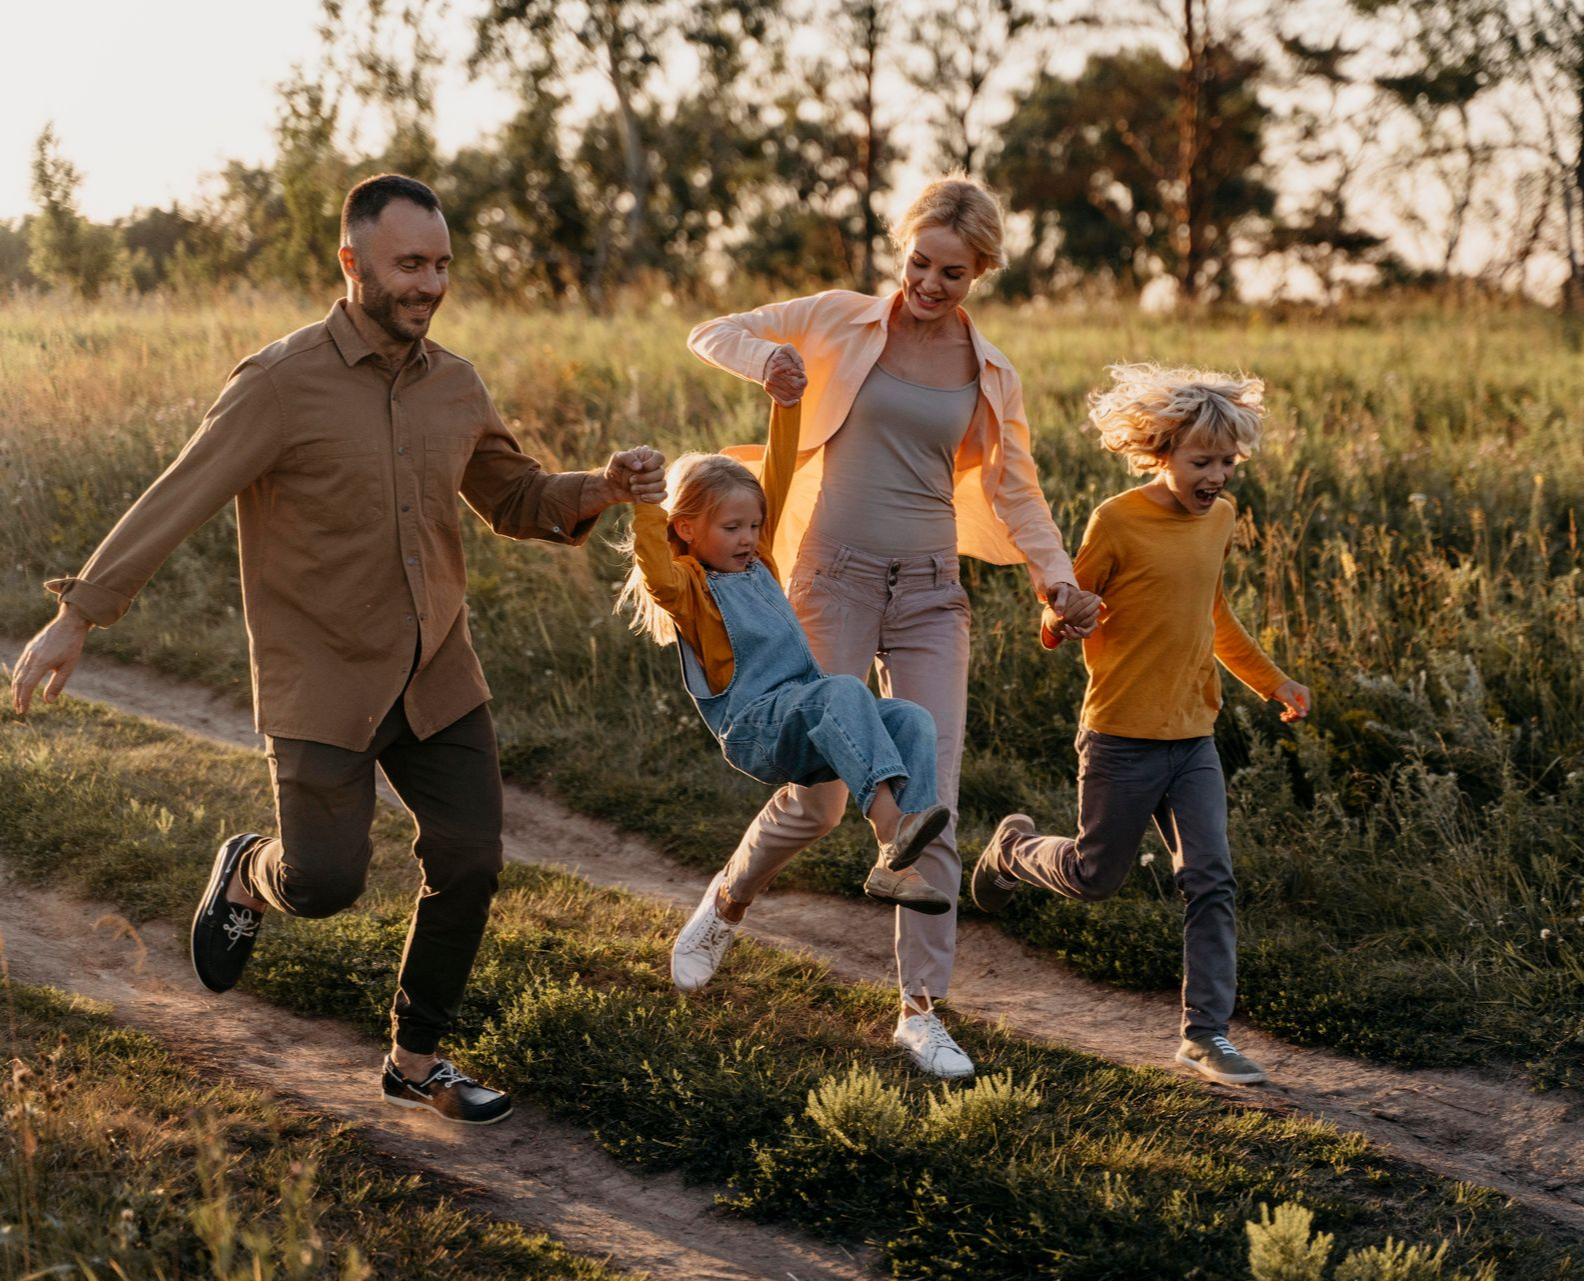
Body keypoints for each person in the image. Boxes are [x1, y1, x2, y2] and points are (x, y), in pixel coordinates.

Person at [9, 173, 665, 1126]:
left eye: (441, 264)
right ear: (352, 262)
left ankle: (415, 1058)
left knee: (471, 857)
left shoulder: (457, 384)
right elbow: (178, 494)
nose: (430, 284)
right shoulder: (279, 382)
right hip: (323, 675)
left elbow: (514, 498)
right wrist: (81, 613)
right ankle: (247, 871)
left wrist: (599, 487)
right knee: (323, 882)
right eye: (409, 264)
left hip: (437, 668)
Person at [684, 176, 1100, 1078]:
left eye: (952, 271)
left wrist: (1057, 580)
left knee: (929, 797)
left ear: (980, 271)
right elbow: (713, 330)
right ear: (902, 251)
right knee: (822, 793)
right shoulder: (840, 317)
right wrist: (769, 365)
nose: (929, 283)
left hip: (930, 591)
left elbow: (1016, 491)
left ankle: (920, 1010)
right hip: (830, 578)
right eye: (919, 262)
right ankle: (725, 901)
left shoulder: (989, 372)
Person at [970, 362, 1312, 1087]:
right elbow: (1061, 610)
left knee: (1211, 877)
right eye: (1201, 461)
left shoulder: (1218, 520)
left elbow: (1215, 616)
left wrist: (1272, 680)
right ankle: (1013, 849)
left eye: (1226, 461)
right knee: (1096, 877)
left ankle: (1206, 1034)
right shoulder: (1117, 520)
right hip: (1121, 735)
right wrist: (1066, 617)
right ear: (1160, 452)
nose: (1216, 475)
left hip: (1193, 736)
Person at [619, 401, 955, 990]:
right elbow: (654, 565)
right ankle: (889, 830)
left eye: (754, 525)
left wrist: (787, 401)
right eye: (732, 528)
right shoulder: (692, 591)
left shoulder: (761, 562)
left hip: (803, 717)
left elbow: (775, 471)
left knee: (911, 720)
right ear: (686, 529)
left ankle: (896, 864)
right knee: (842, 691)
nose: (749, 537)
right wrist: (647, 500)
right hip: (756, 731)